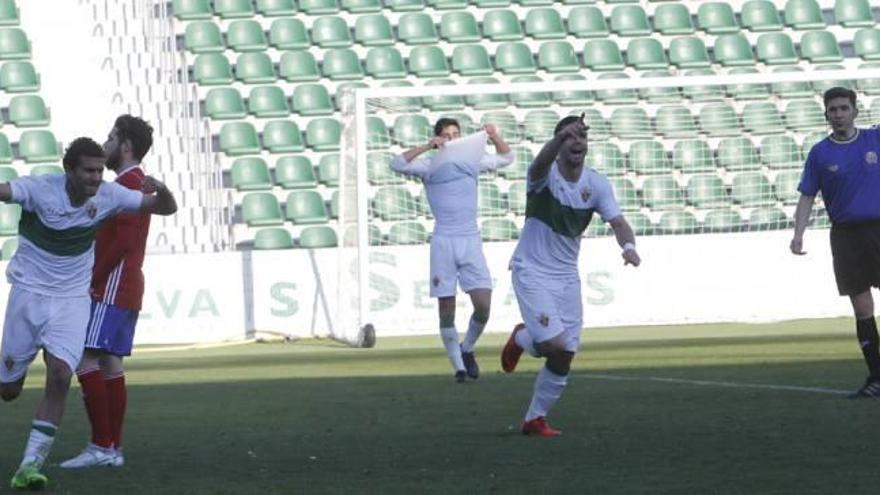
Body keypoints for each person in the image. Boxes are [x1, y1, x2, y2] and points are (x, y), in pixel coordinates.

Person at [0, 137, 177, 490]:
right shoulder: (40, 189)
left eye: (99, 170)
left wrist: (163, 189)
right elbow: (5, 191)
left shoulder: (110, 195)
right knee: (8, 390)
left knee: (62, 375)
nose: (96, 177)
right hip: (29, 295)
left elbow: (164, 207)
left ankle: (29, 466)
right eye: (88, 171)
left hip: (71, 300)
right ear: (69, 170)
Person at [500, 115, 641, 436]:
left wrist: (629, 247)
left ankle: (534, 419)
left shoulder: (597, 185)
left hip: (566, 277)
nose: (578, 142)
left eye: (582, 137)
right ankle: (522, 337)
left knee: (565, 353)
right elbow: (536, 165)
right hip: (531, 269)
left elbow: (618, 222)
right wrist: (556, 140)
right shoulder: (544, 177)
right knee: (553, 343)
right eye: (570, 137)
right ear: (559, 144)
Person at [59, 116, 156, 469]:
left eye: (112, 137)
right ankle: (112, 449)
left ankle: (101, 445)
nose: (106, 143)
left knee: (85, 358)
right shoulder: (135, 183)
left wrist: (94, 280)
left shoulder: (128, 185)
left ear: (126, 144)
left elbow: (125, 242)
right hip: (127, 284)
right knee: (110, 361)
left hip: (113, 284)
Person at [391, 118, 513, 382]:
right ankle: (458, 367)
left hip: (470, 240)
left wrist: (493, 135)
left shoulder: (472, 162)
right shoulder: (427, 165)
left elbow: (507, 158)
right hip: (443, 241)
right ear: (438, 139)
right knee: (446, 307)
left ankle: (466, 348)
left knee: (483, 305)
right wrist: (426, 146)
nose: (451, 138)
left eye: (456, 134)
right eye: (446, 135)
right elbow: (397, 163)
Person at [791, 86, 880, 399]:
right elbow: (807, 196)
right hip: (845, 236)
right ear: (826, 114)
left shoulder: (875, 139)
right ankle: (876, 377)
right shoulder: (820, 153)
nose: (839, 114)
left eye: (844, 108)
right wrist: (798, 233)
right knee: (862, 306)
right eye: (833, 110)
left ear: (855, 110)